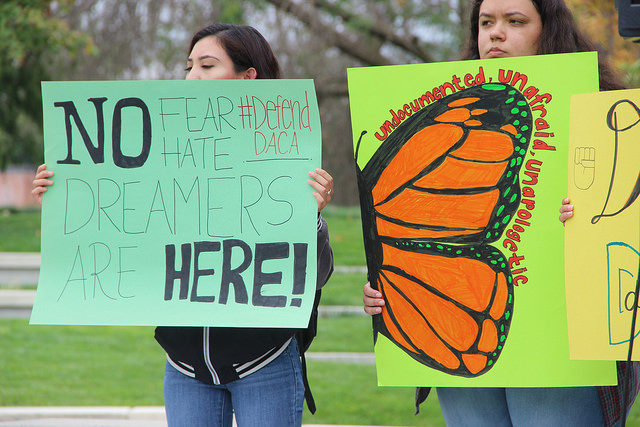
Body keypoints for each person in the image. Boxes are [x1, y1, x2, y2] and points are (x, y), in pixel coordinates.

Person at [33, 24, 335, 427]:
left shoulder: (285, 162)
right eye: (188, 65)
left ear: (248, 78)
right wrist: (63, 198)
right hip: (185, 366)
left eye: (207, 65)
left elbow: (316, 275)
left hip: (265, 362)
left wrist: (310, 216)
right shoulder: (161, 154)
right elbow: (123, 226)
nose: (192, 76)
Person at [363, 0, 638, 426]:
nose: (495, 33)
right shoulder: (442, 110)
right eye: (485, 22)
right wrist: (380, 284)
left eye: (515, 21)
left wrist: (591, 219)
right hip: (456, 320)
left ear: (549, 30)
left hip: (562, 344)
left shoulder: (602, 111)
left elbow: (625, 223)